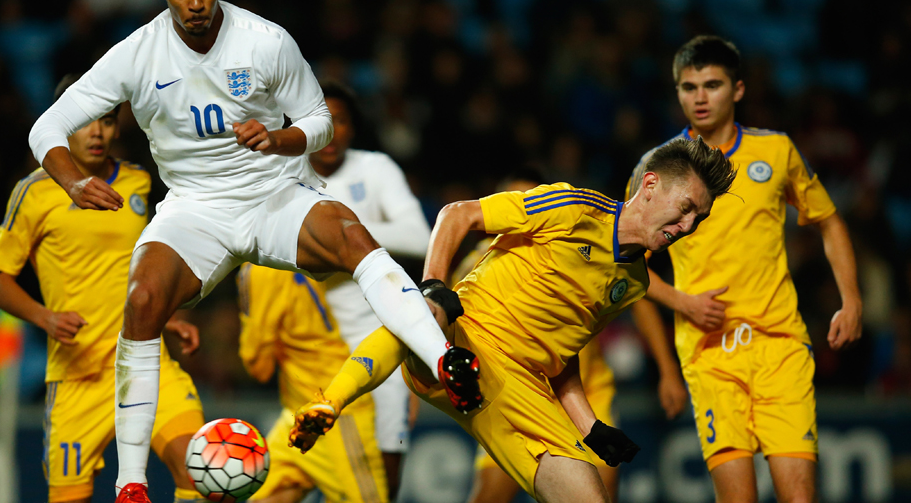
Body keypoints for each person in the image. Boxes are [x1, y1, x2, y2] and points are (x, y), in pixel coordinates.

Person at [24, 0, 480, 500]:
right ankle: (132, 483)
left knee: (351, 234)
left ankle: (444, 361)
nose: (196, 2)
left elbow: (319, 122)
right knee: (141, 301)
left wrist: (280, 138)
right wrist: (72, 180)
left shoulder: (265, 40)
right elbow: (45, 129)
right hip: (195, 208)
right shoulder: (135, 55)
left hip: (272, 193)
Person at [290, 136, 737, 503]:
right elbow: (456, 214)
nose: (689, 224)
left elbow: (564, 353)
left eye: (699, 216)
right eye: (686, 207)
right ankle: (329, 400)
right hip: (462, 343)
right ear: (652, 184)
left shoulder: (634, 281)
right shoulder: (576, 210)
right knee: (424, 311)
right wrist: (433, 286)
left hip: (522, 393)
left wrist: (591, 427)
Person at [626, 35, 862, 503]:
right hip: (710, 356)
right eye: (688, 87)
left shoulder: (776, 152)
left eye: (711, 84)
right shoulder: (656, 167)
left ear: (737, 90)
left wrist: (851, 300)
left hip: (780, 347)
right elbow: (624, 261)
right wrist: (682, 303)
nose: (699, 97)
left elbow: (830, 222)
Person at [0, 75, 206, 503]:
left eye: (106, 120)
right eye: (86, 121)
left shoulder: (140, 181)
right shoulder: (33, 192)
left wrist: (168, 314)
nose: (96, 132)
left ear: (118, 126)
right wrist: (45, 318)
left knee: (197, 470)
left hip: (144, 362)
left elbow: (144, 267)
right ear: (62, 123)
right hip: (76, 378)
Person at [460, 169, 688, 503]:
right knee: (493, 492)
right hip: (510, 382)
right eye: (517, 199)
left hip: (582, 387)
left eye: (531, 198)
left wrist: (668, 369)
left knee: (599, 491)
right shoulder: (480, 262)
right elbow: (445, 316)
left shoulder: (571, 233)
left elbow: (637, 296)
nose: (525, 209)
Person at [308, 81, 429, 493]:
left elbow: (419, 236)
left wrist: (344, 230)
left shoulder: (375, 168)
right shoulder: (285, 172)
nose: (330, 131)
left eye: (339, 120)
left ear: (353, 128)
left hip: (374, 325)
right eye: (321, 121)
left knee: (390, 418)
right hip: (311, 335)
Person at [237, 264, 389, 503]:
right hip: (299, 411)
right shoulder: (293, 254)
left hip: (335, 416)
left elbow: (259, 367)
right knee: (268, 494)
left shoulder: (259, 269)